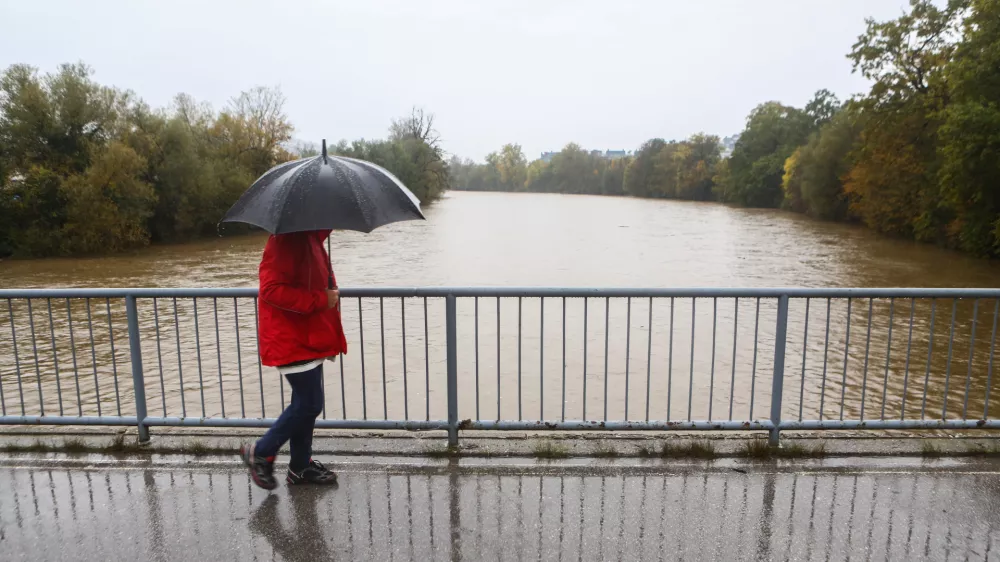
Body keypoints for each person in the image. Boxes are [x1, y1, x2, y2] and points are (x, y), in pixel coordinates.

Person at [240, 229, 347, 489]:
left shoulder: (309, 238)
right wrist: (321, 299)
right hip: (290, 338)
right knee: (310, 403)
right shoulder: (284, 241)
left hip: (307, 337)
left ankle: (300, 466)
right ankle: (260, 452)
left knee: (304, 404)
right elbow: (271, 291)